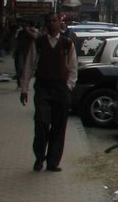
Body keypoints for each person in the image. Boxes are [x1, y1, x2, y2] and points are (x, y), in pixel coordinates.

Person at [19, 13, 78, 173]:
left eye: (54, 21)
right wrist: (24, 88)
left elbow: (73, 68)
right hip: (43, 87)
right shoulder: (38, 42)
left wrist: (68, 86)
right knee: (41, 123)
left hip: (60, 88)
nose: (52, 24)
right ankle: (39, 157)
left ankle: (53, 161)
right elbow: (29, 66)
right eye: (49, 21)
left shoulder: (67, 43)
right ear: (45, 24)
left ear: (60, 23)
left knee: (59, 127)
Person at [12, 20, 36, 88]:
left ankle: (25, 83)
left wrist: (27, 31)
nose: (24, 27)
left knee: (27, 69)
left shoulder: (32, 32)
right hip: (20, 52)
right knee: (19, 68)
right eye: (23, 26)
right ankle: (19, 82)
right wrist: (14, 51)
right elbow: (17, 42)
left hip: (28, 53)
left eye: (25, 26)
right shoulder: (20, 33)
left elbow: (34, 37)